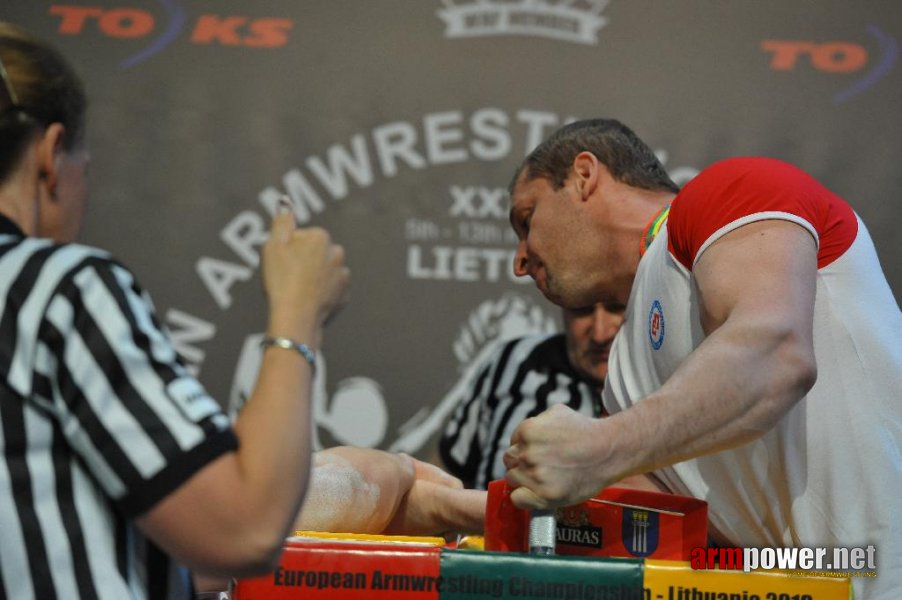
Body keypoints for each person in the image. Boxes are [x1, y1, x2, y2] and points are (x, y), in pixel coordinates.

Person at [0, 22, 351, 599]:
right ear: (49, 155)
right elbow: (243, 529)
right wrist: (297, 309)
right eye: (83, 170)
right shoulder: (56, 291)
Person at [502, 119, 901, 598]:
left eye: (526, 221)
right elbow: (641, 530)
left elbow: (775, 354)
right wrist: (430, 499)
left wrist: (603, 446)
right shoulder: (623, 384)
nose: (519, 260)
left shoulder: (729, 192)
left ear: (584, 175)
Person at [438, 304, 620, 489]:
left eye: (618, 307)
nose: (600, 333)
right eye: (582, 308)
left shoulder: (650, 391)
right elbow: (449, 470)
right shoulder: (515, 360)